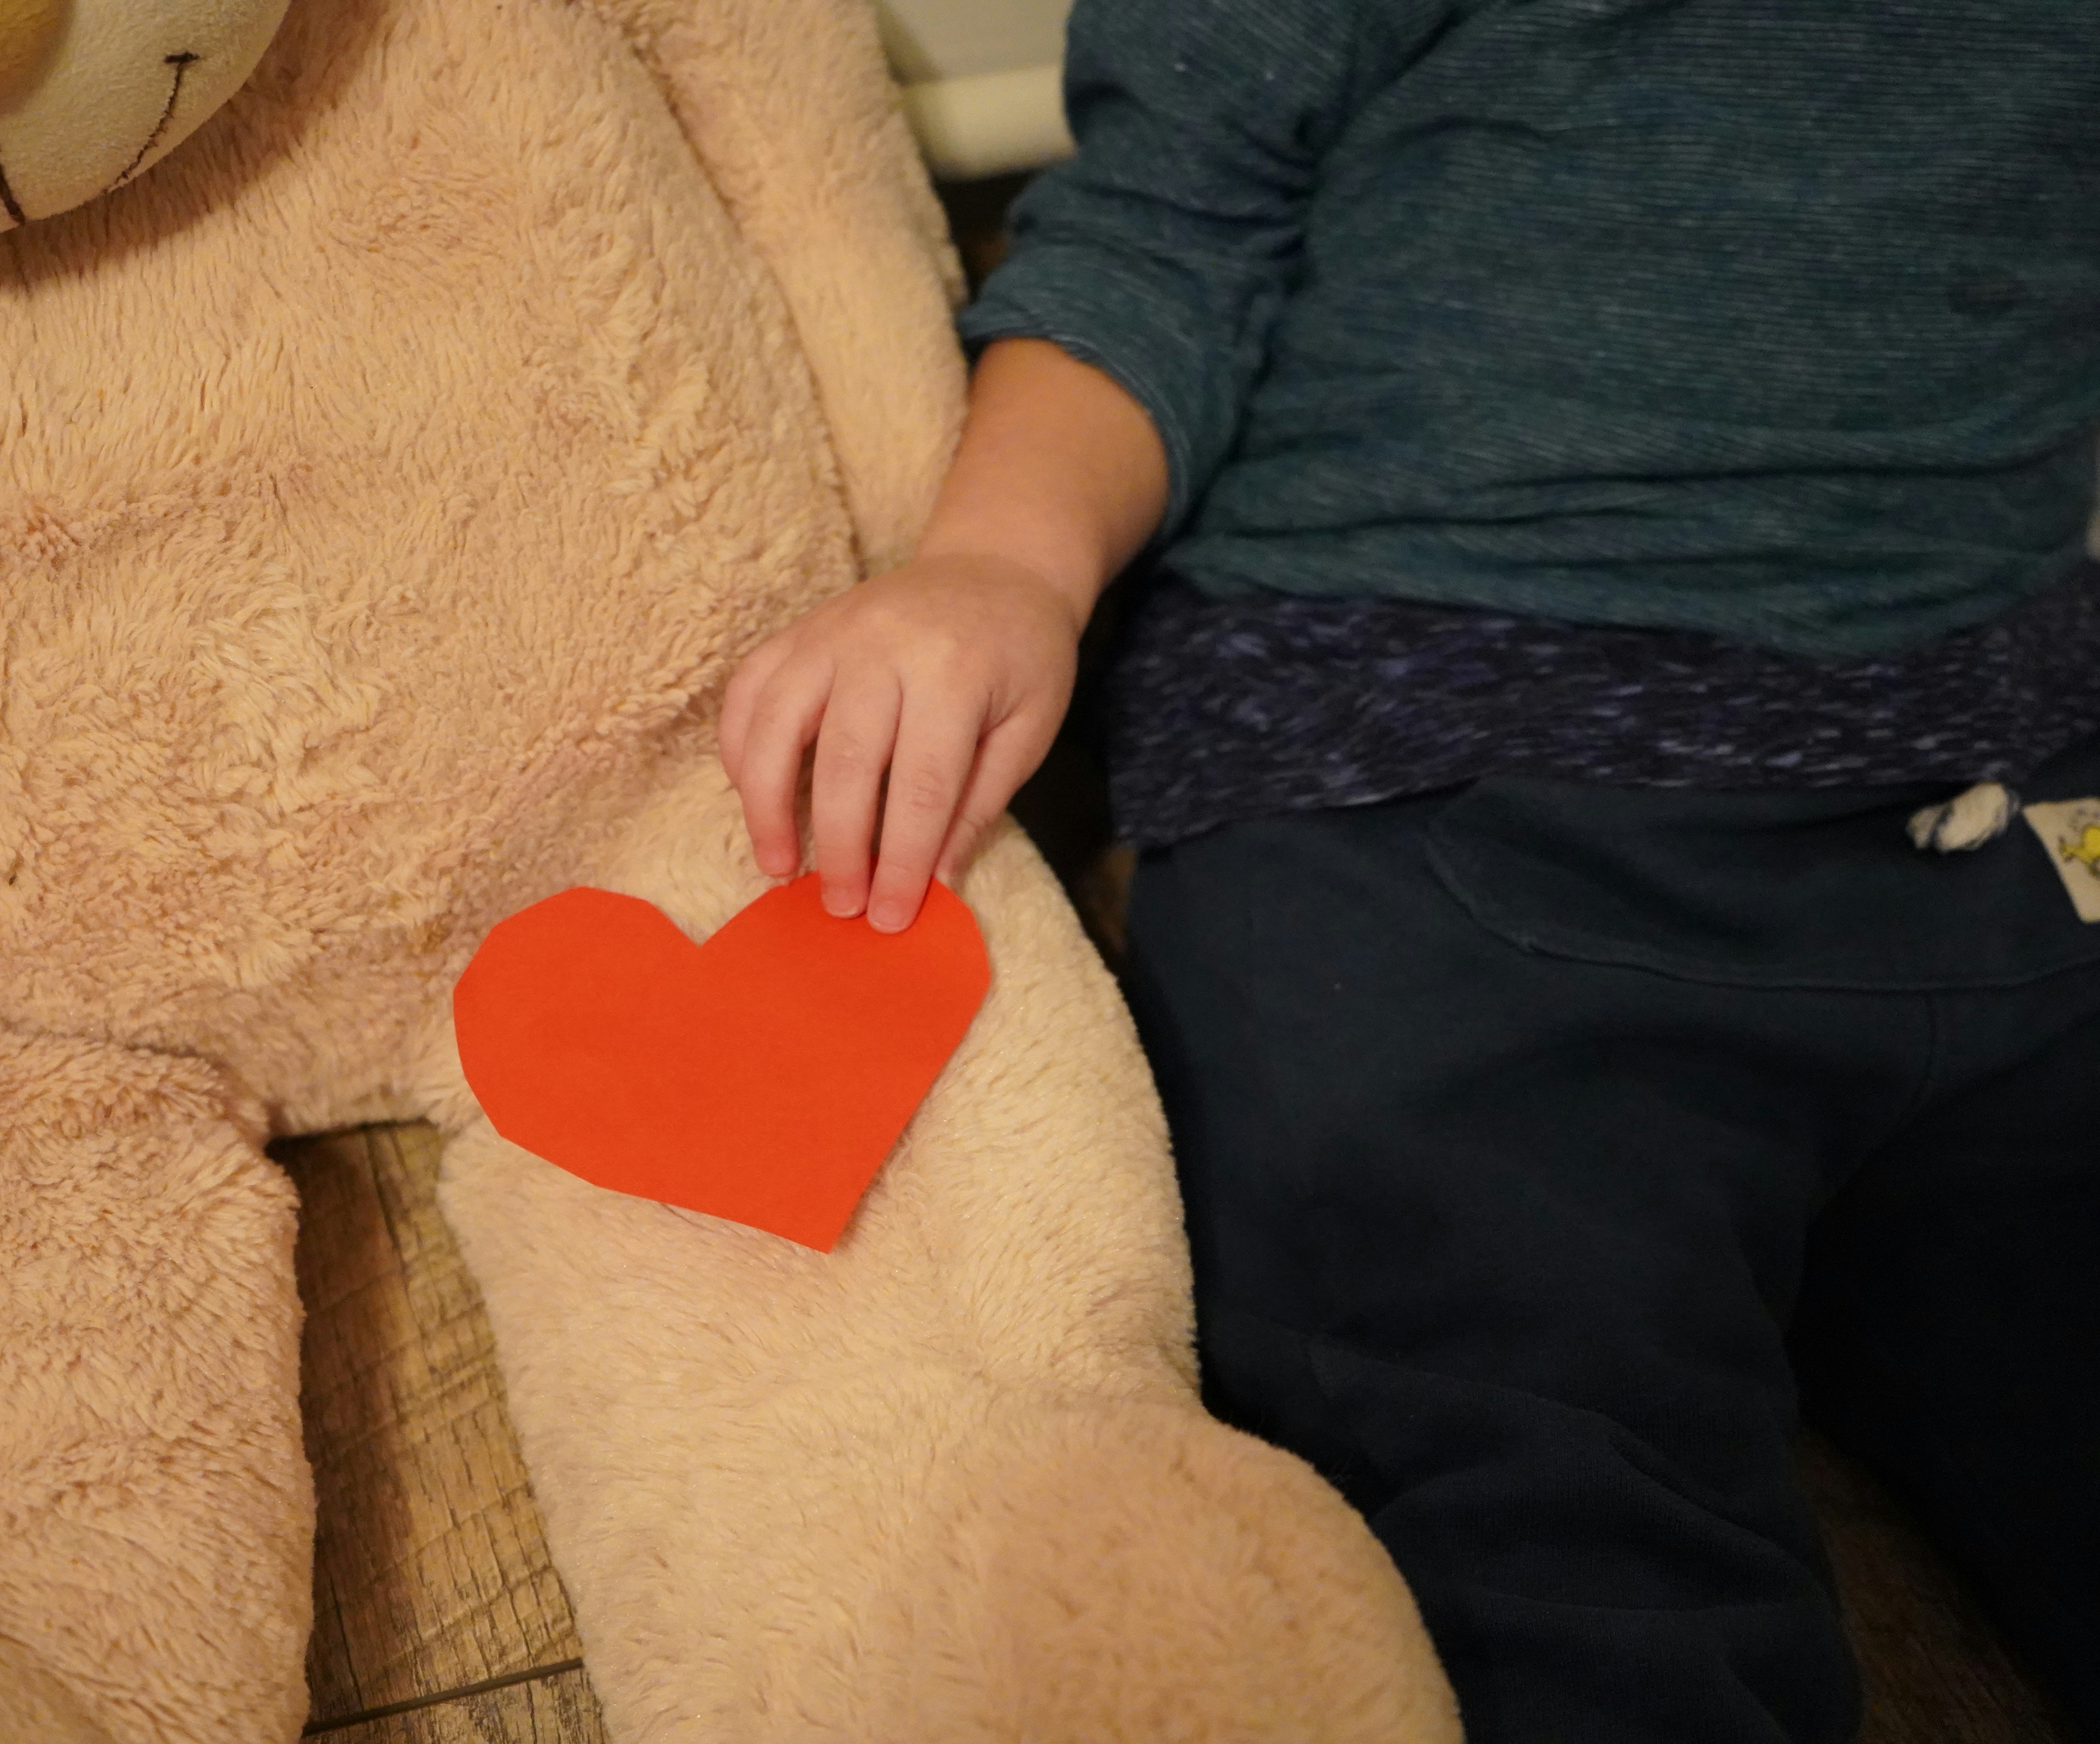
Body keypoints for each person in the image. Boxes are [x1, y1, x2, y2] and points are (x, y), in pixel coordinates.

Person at [719, 3, 2100, 1738]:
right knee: (1539, 1533)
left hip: (2007, 765)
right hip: (1426, 775)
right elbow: (1172, 222)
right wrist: (998, 565)